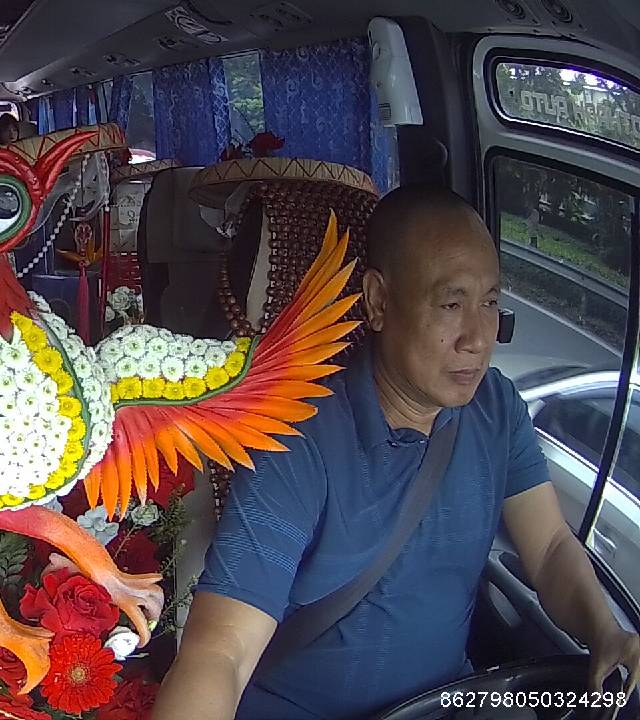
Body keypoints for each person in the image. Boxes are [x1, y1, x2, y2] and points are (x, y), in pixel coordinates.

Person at [153, 185, 640, 719]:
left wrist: (605, 631)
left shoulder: (496, 408)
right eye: (451, 304)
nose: (478, 338)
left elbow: (548, 548)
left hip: (448, 705)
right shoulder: (300, 433)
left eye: (489, 303)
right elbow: (221, 650)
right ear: (379, 301)